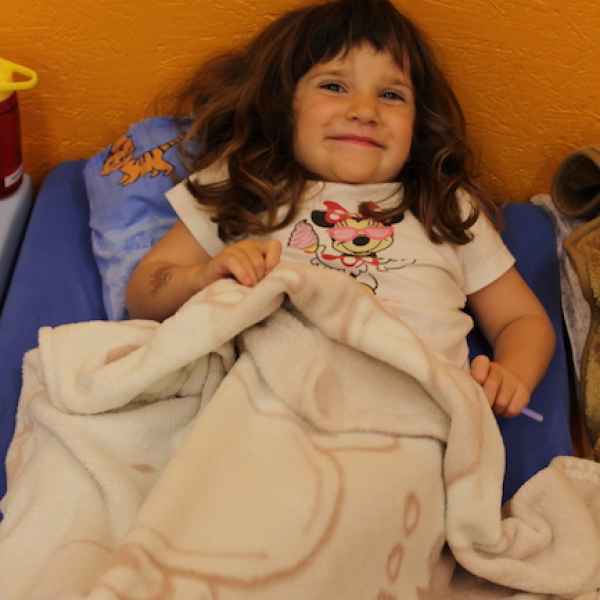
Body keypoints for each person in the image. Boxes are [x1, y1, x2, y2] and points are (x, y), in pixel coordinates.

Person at [126, 0, 555, 420]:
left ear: (418, 123)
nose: (365, 111)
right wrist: (203, 277)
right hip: (263, 407)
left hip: (405, 416)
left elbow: (522, 319)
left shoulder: (445, 205)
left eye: (391, 95)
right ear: (283, 104)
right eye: (334, 86)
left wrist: (512, 375)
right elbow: (146, 290)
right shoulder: (244, 183)